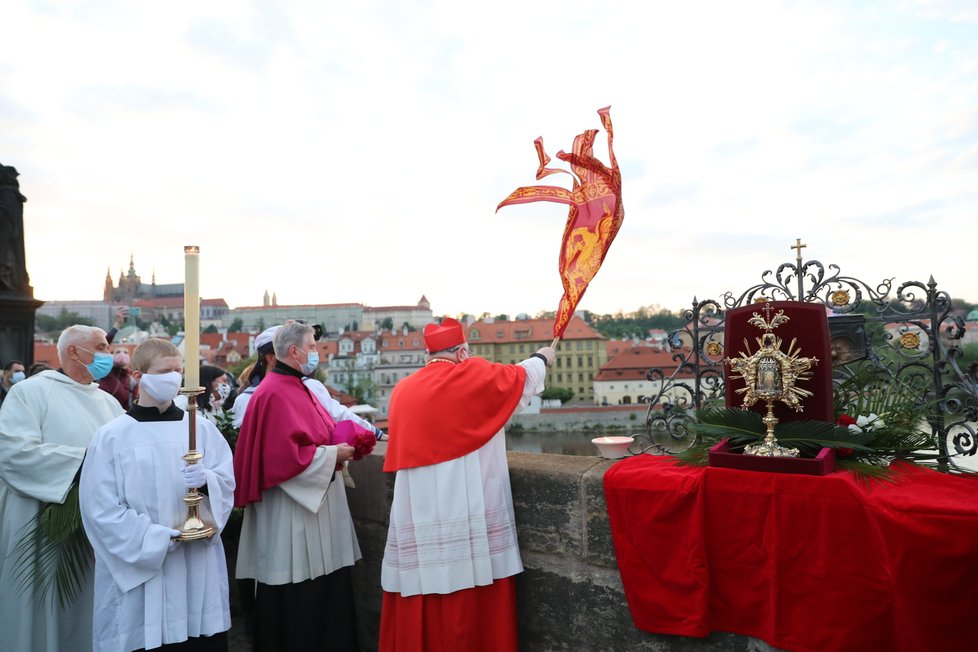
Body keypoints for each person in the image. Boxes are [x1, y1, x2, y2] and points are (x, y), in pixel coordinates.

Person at [378, 318, 554, 652]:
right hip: (467, 500)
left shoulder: (403, 390)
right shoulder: (472, 373)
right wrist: (543, 356)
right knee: (474, 588)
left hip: (419, 510)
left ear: (429, 354)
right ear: (462, 351)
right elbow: (520, 378)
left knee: (424, 584)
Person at [79, 338, 235, 652]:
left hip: (196, 565)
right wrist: (159, 538)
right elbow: (100, 510)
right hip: (144, 568)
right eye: (166, 371)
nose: (175, 378)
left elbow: (227, 483)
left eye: (179, 370)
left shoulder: (200, 430)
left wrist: (207, 483)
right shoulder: (111, 437)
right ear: (138, 376)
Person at [233, 320, 366, 651]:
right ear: (294, 351)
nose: (317, 353)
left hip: (312, 502)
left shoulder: (296, 385)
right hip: (293, 510)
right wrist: (333, 453)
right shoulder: (275, 392)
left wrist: (341, 443)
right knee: (300, 592)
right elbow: (281, 458)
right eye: (313, 347)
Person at [0, 325, 124, 652]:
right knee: (42, 612)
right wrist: (85, 463)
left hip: (94, 530)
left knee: (86, 611)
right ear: (73, 351)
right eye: (100, 347)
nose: (108, 355)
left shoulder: (110, 404)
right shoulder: (30, 392)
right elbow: (14, 453)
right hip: (39, 523)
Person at [233, 325, 383, 439]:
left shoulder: (310, 385)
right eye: (310, 348)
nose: (314, 353)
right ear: (272, 358)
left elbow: (340, 414)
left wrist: (375, 433)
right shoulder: (248, 399)